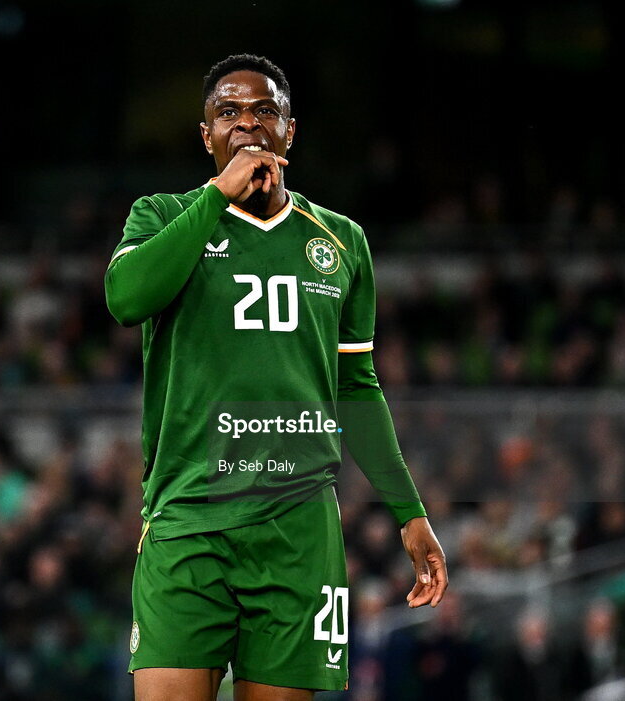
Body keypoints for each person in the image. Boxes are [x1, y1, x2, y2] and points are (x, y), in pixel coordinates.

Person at [105, 54, 448, 701]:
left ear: (291, 131)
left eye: (265, 110)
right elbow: (124, 298)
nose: (247, 124)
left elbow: (357, 386)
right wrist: (216, 198)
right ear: (205, 137)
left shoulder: (341, 240)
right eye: (227, 112)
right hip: (189, 520)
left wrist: (408, 511)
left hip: (297, 531)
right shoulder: (161, 215)